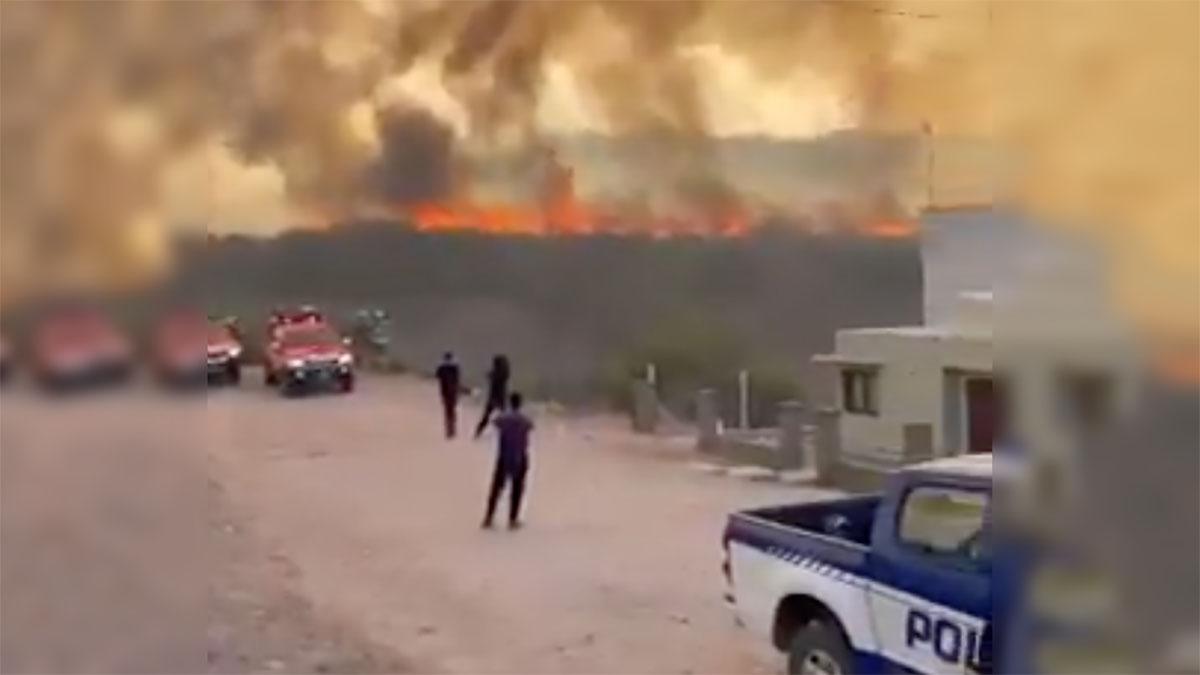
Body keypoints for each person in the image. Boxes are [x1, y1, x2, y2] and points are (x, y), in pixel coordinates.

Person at [482, 392, 533, 530]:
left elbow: (494, 423)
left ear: (510, 402)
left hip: (504, 456)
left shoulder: (503, 418)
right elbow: (530, 428)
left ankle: (488, 517)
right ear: (520, 403)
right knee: (517, 490)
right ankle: (512, 519)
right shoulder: (525, 420)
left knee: (496, 489)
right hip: (520, 456)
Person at [473, 354, 510, 439]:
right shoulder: (505, 373)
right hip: (501, 397)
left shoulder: (495, 373)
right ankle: (506, 434)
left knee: (486, 417)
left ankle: (478, 433)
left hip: (493, 398)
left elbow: (488, 376)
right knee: (505, 417)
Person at [434, 352, 462, 438]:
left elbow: (437, 376)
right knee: (452, 410)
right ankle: (452, 429)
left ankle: (449, 430)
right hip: (454, 392)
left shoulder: (441, 368)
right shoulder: (455, 367)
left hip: (445, 392)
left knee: (447, 411)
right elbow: (457, 379)